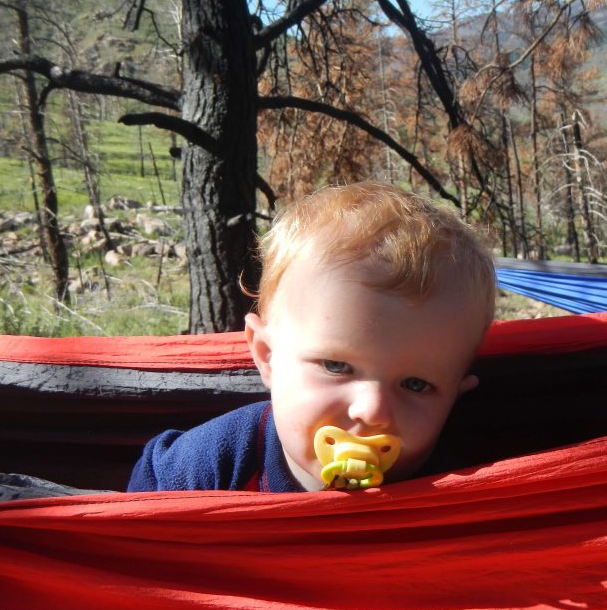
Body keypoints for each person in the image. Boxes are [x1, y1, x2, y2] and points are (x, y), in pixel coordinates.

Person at [127, 181, 496, 493]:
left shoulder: (463, 490)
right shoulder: (208, 467)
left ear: (454, 396)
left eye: (416, 384)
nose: (372, 412)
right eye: (336, 365)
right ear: (267, 354)